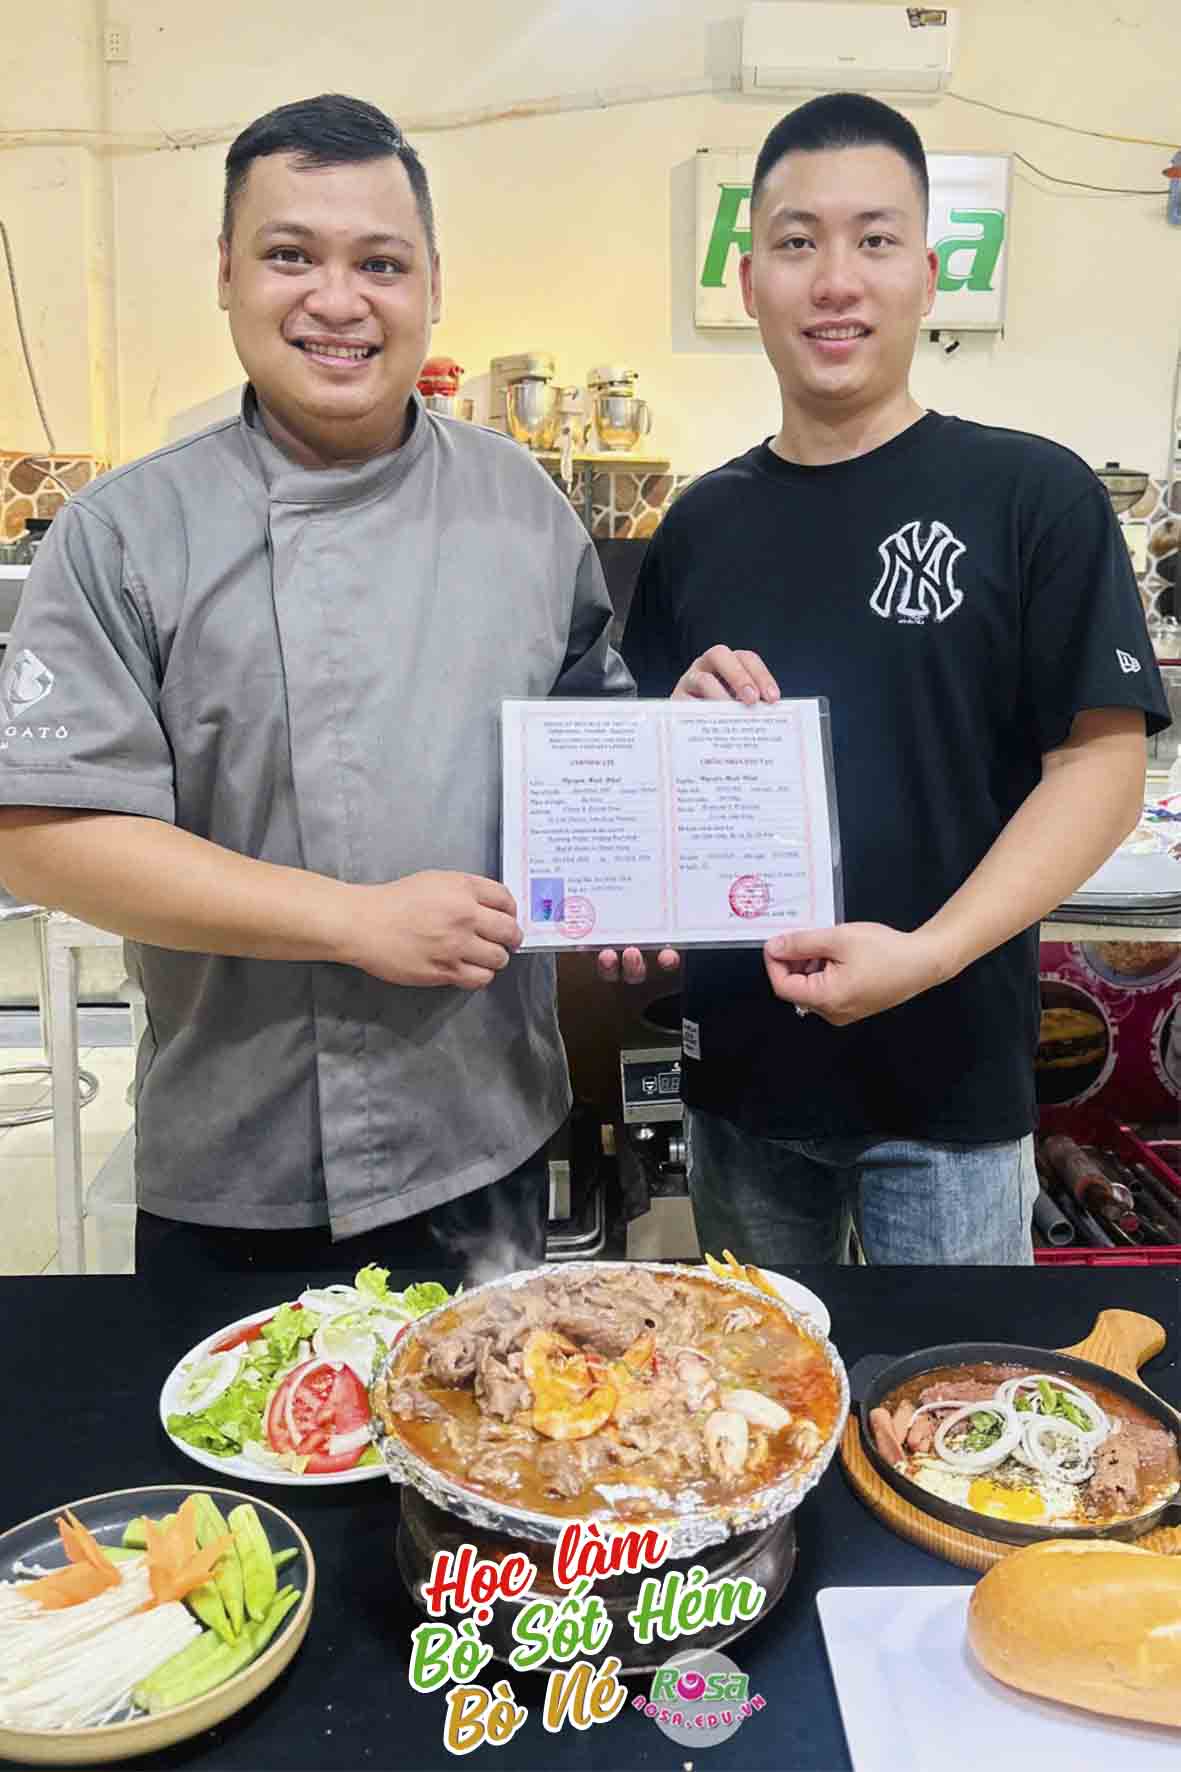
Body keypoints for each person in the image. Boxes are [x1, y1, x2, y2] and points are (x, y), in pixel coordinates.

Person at [0, 93, 634, 1283]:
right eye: (291, 254)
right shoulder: (126, 534)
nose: (337, 301)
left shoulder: (522, 510)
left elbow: (590, 740)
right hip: (236, 1151)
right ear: (227, 272)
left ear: (431, 283)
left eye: (379, 263)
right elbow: (41, 836)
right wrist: (354, 919)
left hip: (480, 1129)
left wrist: (664, 819)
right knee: (236, 1415)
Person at [621, 93, 1169, 1265]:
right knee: (755, 1375)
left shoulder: (1030, 496)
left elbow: (1099, 767)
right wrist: (644, 860)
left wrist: (926, 953)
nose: (834, 280)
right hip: (741, 1079)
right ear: (748, 280)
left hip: (948, 1077)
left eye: (872, 240)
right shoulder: (699, 524)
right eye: (794, 241)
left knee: (954, 1377)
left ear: (925, 275)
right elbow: (654, 788)